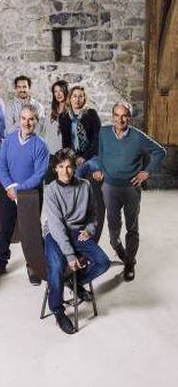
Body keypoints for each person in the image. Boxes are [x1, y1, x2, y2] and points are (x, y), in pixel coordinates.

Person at [93, 102, 165, 282]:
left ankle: (130, 262)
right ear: (112, 116)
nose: (120, 119)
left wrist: (146, 172)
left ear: (129, 118)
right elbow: (101, 154)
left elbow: (160, 151)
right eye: (116, 115)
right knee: (113, 226)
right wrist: (100, 168)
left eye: (124, 115)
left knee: (132, 226)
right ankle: (119, 250)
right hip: (109, 187)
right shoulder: (104, 132)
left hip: (131, 188)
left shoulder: (137, 137)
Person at [43, 148, 110, 334]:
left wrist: (89, 229)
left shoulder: (85, 185)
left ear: (75, 167)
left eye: (69, 167)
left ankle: (74, 283)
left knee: (103, 262)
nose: (66, 171)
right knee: (56, 266)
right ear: (55, 169)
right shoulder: (51, 191)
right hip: (55, 234)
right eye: (61, 167)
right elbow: (56, 226)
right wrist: (70, 255)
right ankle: (57, 310)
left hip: (78, 232)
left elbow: (93, 214)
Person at [0, 105, 49, 284]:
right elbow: (0, 165)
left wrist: (19, 190)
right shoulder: (9, 140)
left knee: (31, 231)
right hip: (10, 192)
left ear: (36, 122)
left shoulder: (40, 146)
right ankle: (0, 263)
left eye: (31, 119)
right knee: (6, 227)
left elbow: (39, 174)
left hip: (31, 194)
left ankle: (33, 265)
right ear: (19, 120)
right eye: (24, 119)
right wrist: (9, 187)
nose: (27, 123)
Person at [59, 86, 101, 178]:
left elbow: (97, 139)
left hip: (92, 156)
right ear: (70, 98)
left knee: (80, 169)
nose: (77, 99)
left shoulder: (91, 114)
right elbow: (65, 142)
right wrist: (74, 157)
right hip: (73, 156)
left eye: (80, 96)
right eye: (75, 96)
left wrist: (84, 157)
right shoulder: (63, 117)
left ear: (84, 99)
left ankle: (76, 192)